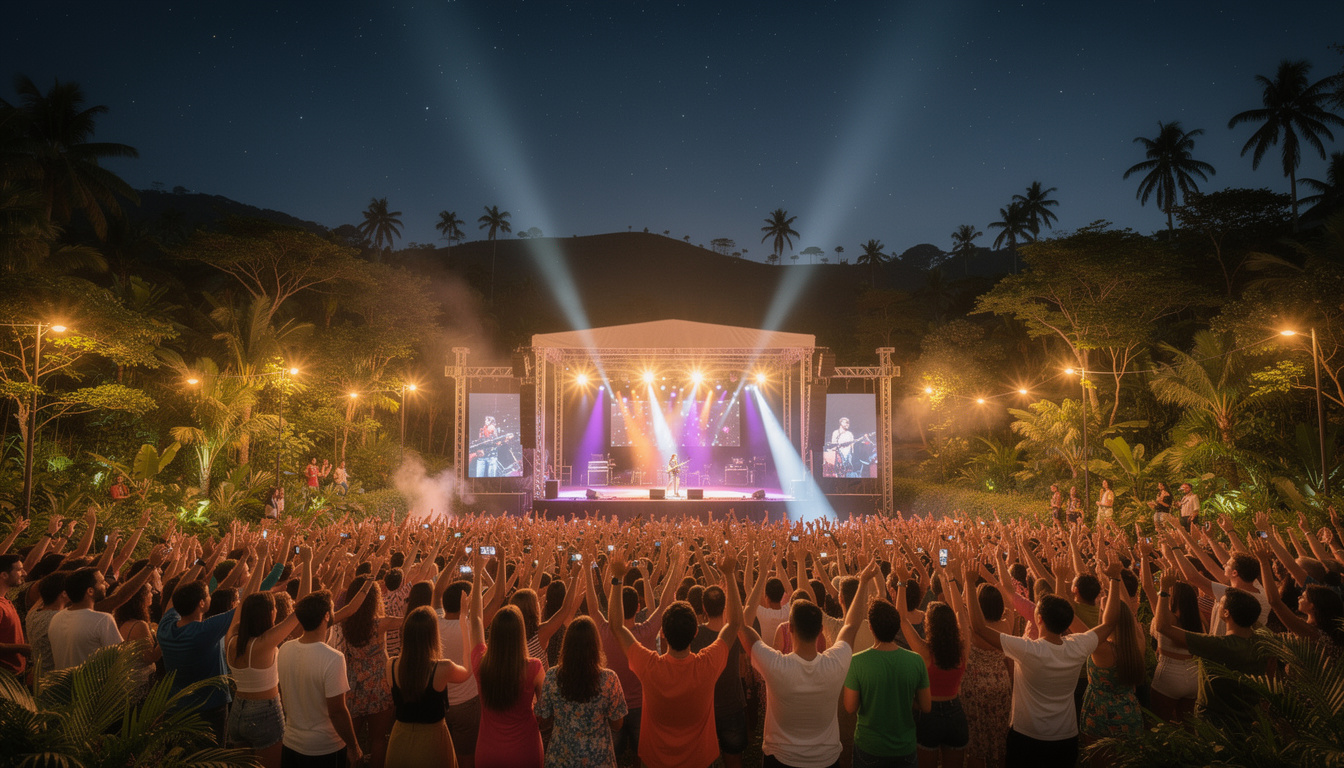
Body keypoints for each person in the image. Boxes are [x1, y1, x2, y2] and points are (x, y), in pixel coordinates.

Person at [965, 559, 1120, 768]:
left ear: (1039, 620)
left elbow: (979, 628)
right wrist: (1115, 578)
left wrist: (968, 581)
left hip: (1027, 737)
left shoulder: (1028, 650)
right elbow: (1109, 623)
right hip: (1065, 737)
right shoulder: (1078, 646)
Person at [743, 552, 880, 768]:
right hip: (826, 760)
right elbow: (851, 626)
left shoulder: (775, 665)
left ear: (792, 629)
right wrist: (863, 583)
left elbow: (742, 626)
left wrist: (760, 576)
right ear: (820, 631)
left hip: (780, 758)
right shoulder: (835, 663)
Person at [613, 549, 742, 768]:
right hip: (700, 760)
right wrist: (729, 575)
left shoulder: (649, 665)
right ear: (695, 633)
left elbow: (617, 627)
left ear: (662, 632)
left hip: (655, 761)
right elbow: (735, 624)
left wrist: (617, 578)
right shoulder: (708, 664)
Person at [160, 544, 265, 744]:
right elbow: (247, 601)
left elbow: (176, 594)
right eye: (208, 594)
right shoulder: (204, 631)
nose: (212, 595)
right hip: (209, 709)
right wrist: (259, 561)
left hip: (176, 706)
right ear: (201, 604)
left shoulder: (165, 627)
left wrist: (199, 564)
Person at [226, 546, 312, 768]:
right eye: (274, 607)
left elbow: (244, 601)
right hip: (264, 711)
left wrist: (262, 558)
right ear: (269, 614)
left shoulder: (232, 639)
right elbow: (302, 608)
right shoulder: (264, 644)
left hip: (236, 711)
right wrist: (309, 562)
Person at [1153, 571, 1266, 727]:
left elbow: (1163, 627)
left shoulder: (1216, 645)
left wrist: (1164, 589)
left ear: (1226, 613)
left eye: (1221, 602)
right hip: (1248, 720)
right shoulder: (1263, 644)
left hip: (1215, 724)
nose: (1217, 603)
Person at [465, 552, 545, 768]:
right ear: (521, 634)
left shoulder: (481, 663)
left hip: (488, 751)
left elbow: (476, 619)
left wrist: (478, 573)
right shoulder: (534, 668)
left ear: (495, 633)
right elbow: (545, 710)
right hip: (524, 750)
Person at [842, 597, 931, 768]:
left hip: (869, 746)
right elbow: (926, 706)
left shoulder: (857, 662)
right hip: (904, 747)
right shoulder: (916, 661)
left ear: (871, 628)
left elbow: (850, 707)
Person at [278, 590, 363, 767]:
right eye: (332, 609)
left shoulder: (285, 649)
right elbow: (337, 711)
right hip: (324, 748)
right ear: (326, 616)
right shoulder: (333, 658)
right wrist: (354, 746)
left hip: (291, 743)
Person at [534, 615, 628, 767]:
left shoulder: (552, 676)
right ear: (596, 645)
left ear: (567, 645)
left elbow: (544, 718)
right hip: (598, 759)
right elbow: (617, 724)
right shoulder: (609, 679)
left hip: (561, 758)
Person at [386, 606, 472, 768]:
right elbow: (467, 672)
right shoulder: (442, 668)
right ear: (432, 635)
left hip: (399, 740)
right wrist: (463, 625)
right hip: (432, 742)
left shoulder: (391, 665)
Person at [330, 576, 401, 768]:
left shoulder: (345, 622)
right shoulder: (381, 624)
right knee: (378, 740)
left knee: (350, 743)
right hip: (379, 682)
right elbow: (412, 619)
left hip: (353, 682)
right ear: (375, 600)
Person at [0, 554, 31, 677]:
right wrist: (20, 648)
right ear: (4, 575)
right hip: (6, 680)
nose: (24, 573)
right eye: (19, 570)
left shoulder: (5, 600)